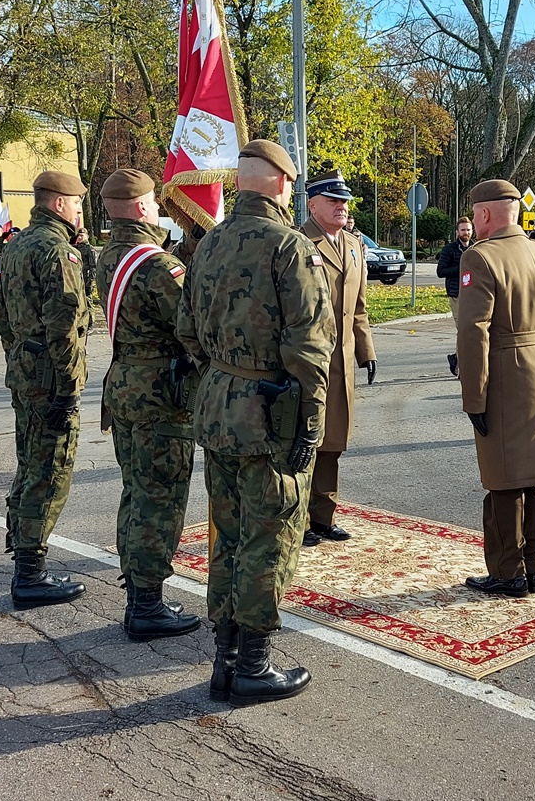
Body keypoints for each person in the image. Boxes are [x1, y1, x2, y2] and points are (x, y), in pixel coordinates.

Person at [177, 138, 331, 706]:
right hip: (271, 412)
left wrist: (224, 371)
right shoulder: (291, 248)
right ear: (279, 183)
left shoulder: (207, 243)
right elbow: (310, 349)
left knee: (229, 535)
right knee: (271, 537)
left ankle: (224, 656)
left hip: (218, 407)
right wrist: (310, 425)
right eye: (291, 183)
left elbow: (186, 329)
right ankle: (254, 665)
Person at [95, 168, 202, 642]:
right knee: (160, 498)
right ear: (141, 207)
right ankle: (147, 604)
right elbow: (188, 320)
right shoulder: (157, 265)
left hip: (123, 386)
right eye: (155, 202)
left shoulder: (108, 256)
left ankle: (138, 592)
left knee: (136, 492)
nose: (160, 208)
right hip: (161, 394)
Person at [456, 179, 535, 599]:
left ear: (484, 214)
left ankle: (507, 571)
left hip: (507, 373)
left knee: (503, 479)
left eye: (474, 214)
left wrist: (474, 395)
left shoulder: (481, 257)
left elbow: (474, 333)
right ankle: (534, 565)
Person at [0, 170, 94, 610]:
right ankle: (30, 575)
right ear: (58, 204)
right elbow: (65, 327)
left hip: (25, 370)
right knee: (48, 470)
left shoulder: (15, 246)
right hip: (51, 377)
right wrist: (69, 389)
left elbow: (2, 316)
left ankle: (25, 560)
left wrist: (19, 358)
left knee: (29, 461)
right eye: (75, 204)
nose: (79, 210)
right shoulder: (57, 252)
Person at [300, 169, 376, 546]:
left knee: (333, 444)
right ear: (313, 204)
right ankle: (297, 521)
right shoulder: (300, 242)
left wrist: (366, 351)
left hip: (342, 359)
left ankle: (323, 519)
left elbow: (357, 307)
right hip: (309, 361)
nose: (343, 207)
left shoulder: (352, 244)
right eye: (333, 201)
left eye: (345, 201)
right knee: (305, 442)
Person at [436, 217, 474, 377]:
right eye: (463, 230)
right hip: (457, 295)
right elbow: (441, 271)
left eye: (469, 230)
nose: (466, 233)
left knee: (471, 331)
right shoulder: (449, 249)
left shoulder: (477, 248)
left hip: (474, 295)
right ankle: (461, 365)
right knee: (463, 330)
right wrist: (461, 268)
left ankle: (457, 359)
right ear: (457, 232)